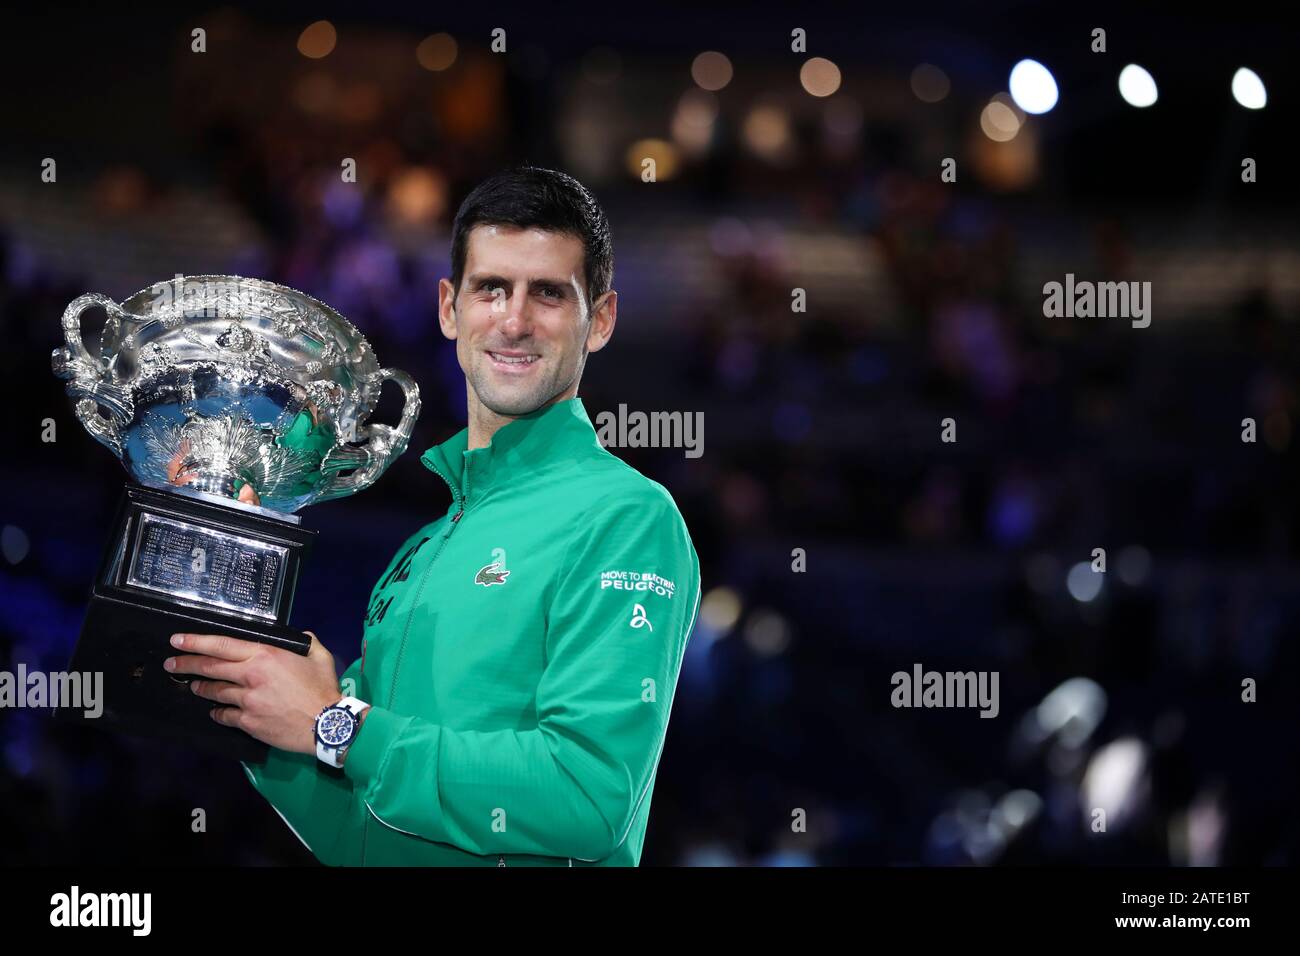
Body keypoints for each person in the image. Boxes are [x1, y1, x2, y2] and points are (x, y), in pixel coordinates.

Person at [162, 166, 702, 866]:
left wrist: (337, 725)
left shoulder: (626, 517)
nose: (513, 320)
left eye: (548, 294)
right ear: (450, 308)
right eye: (491, 288)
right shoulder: (422, 550)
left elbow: (588, 795)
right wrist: (251, 695)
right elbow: (358, 836)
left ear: (598, 321)